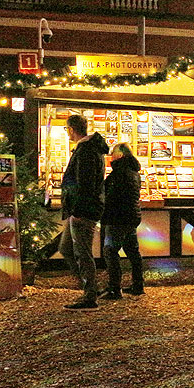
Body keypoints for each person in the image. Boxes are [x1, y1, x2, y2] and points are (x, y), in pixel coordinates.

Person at [59, 114, 109, 310]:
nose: (67, 133)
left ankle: (90, 296)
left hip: (83, 210)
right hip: (81, 208)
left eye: (67, 130)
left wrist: (78, 208)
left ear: (71, 129)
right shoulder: (89, 149)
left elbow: (85, 183)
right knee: (67, 248)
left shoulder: (86, 151)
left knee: (82, 251)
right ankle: (89, 288)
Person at [100, 142, 144, 300]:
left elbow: (111, 197)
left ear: (121, 155)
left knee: (110, 251)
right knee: (133, 251)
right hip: (132, 216)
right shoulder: (134, 172)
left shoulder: (119, 173)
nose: (111, 156)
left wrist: (104, 213)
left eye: (114, 153)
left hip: (118, 217)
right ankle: (138, 284)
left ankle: (114, 288)